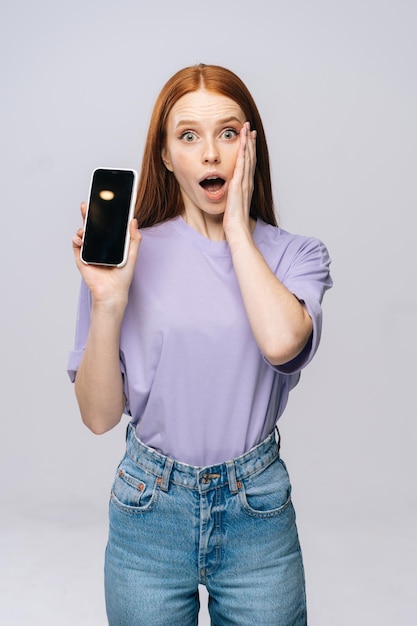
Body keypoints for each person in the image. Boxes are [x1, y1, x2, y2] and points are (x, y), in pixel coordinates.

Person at [68, 63, 332, 626]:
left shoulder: (297, 256)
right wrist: (107, 301)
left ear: (251, 145)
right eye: (188, 136)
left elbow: (283, 342)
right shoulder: (127, 256)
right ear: (166, 156)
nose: (211, 154)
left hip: (255, 511)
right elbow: (97, 417)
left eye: (228, 133)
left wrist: (236, 228)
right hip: (149, 511)